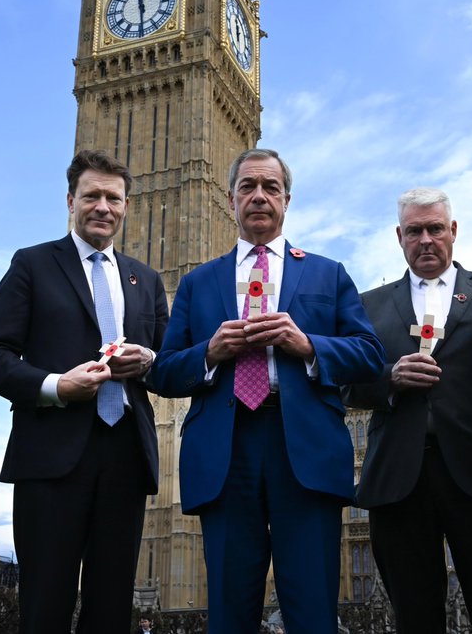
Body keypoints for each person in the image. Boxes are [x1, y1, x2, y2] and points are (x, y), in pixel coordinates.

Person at [150, 148, 384, 634]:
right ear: (231, 199)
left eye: (270, 187)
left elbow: (368, 356)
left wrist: (307, 344)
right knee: (229, 612)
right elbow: (164, 372)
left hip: (305, 448)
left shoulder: (327, 273)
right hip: (225, 450)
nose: (259, 196)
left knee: (313, 611)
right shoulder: (198, 282)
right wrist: (210, 352)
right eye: (248, 187)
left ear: (286, 200)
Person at [0, 150, 168, 634]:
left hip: (126, 454)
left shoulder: (145, 280)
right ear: (70, 201)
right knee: (45, 603)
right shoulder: (33, 264)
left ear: (126, 206)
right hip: (51, 453)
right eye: (91, 196)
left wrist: (148, 361)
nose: (103, 206)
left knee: (111, 609)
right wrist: (55, 386)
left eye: (113, 198)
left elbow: (170, 365)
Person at [345, 188, 472, 634]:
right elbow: (343, 383)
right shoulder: (367, 306)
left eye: (435, 229)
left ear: (452, 230)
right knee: (414, 616)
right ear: (399, 236)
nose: (425, 240)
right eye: (414, 231)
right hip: (399, 478)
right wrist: (390, 378)